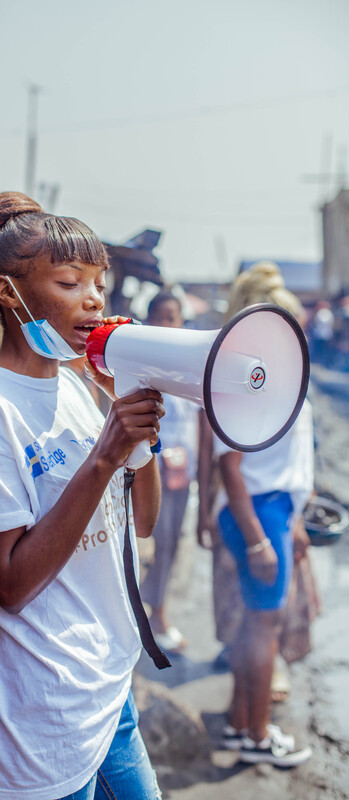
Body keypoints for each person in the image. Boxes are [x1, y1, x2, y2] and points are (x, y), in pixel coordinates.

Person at [0, 191, 166, 800]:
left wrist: (132, 427)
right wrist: (103, 454)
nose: (94, 298)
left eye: (99, 282)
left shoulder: (77, 390)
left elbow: (142, 523)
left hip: (106, 693)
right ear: (10, 292)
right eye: (70, 281)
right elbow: (9, 585)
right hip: (40, 721)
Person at [205, 262, 314, 767]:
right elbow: (231, 466)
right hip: (258, 513)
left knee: (256, 628)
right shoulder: (254, 382)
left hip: (271, 513)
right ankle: (257, 735)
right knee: (262, 630)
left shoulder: (274, 378)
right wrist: (257, 539)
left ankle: (239, 725)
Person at [140, 292, 199, 651]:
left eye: (172, 317)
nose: (166, 323)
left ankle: (155, 606)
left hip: (181, 476)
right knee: (157, 546)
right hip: (151, 476)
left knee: (172, 544)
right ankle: (155, 615)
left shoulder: (191, 366)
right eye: (159, 316)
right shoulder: (142, 367)